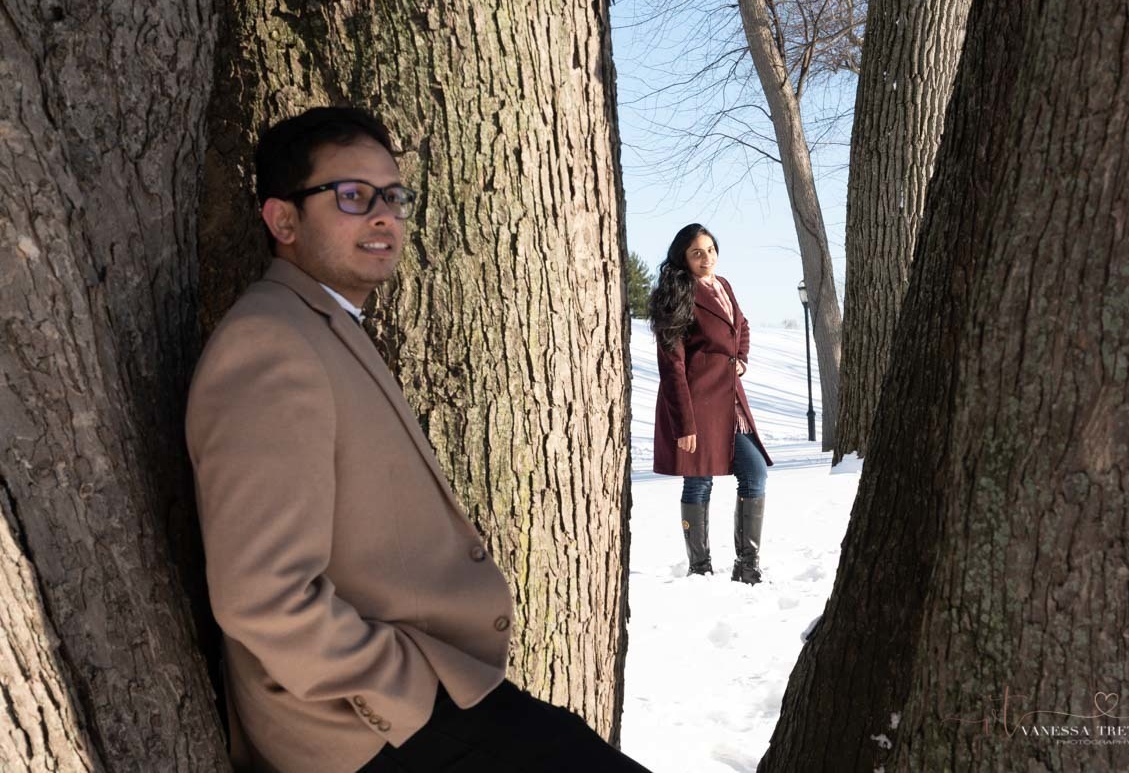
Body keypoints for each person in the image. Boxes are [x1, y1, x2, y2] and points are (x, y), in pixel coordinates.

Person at [187, 106, 651, 773]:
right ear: (282, 219)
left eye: (394, 196)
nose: (383, 216)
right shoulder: (272, 343)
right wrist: (408, 696)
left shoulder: (323, 323)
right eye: (352, 195)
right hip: (360, 730)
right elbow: (262, 592)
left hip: (419, 702)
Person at [648, 223, 774, 584]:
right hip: (696, 402)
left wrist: (743, 357)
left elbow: (741, 325)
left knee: (755, 473)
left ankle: (747, 565)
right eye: (697, 253)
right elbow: (672, 365)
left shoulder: (724, 286)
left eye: (710, 250)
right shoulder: (679, 294)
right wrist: (684, 423)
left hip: (731, 399)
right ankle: (699, 568)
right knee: (699, 481)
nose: (706, 258)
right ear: (683, 258)